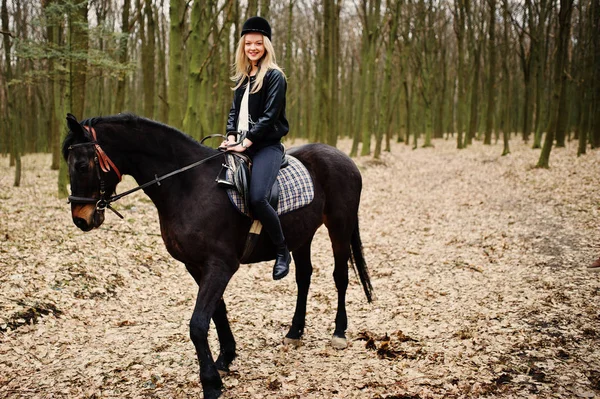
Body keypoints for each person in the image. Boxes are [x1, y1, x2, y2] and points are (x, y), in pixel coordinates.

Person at [220, 16, 291, 280]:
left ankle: (282, 250)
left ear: (266, 46)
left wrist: (245, 143)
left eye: (258, 43)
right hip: (240, 142)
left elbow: (270, 116)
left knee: (258, 196)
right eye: (248, 43)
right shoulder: (242, 77)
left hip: (266, 146)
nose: (252, 48)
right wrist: (230, 136)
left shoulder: (274, 77)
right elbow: (233, 112)